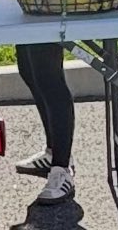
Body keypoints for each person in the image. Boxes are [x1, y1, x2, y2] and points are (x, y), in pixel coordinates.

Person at [14, 43, 75, 205]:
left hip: (56, 18)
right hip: (35, 18)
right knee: (28, 69)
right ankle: (53, 152)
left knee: (48, 76)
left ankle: (62, 167)